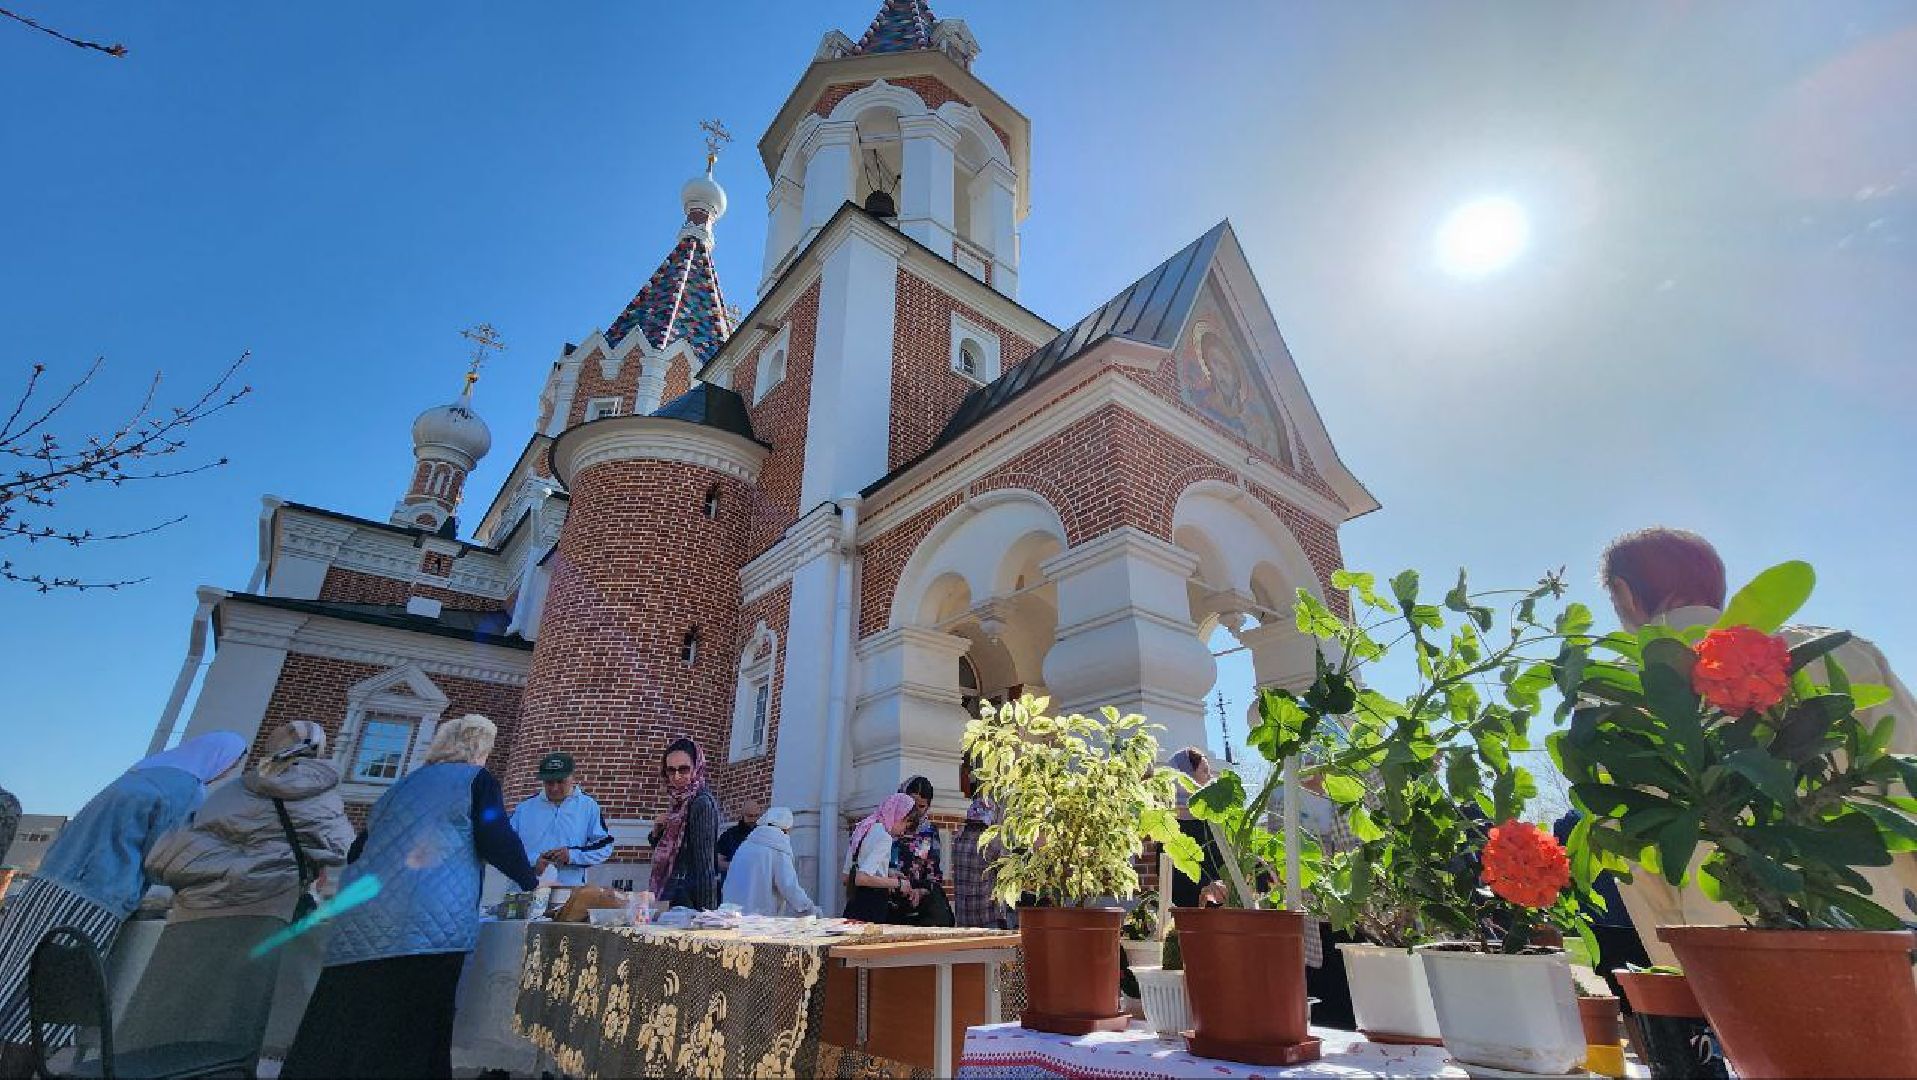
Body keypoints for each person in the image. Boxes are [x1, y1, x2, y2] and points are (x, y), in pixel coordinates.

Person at [1599, 527, 1917, 965]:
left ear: (1624, 594)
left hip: (1732, 965)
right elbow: (1908, 782)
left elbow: (1638, 861)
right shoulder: (1844, 653)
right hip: (1887, 937)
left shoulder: (1612, 698)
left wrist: (1677, 972)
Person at [281, 714, 538, 1079]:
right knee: (414, 1024)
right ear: (479, 747)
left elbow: (358, 850)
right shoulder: (475, 780)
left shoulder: (403, 784)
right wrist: (533, 881)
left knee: (344, 1021)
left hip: (363, 919)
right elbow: (496, 835)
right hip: (426, 921)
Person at [0, 731, 247, 1077]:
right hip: (96, 898)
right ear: (223, 761)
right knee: (45, 1003)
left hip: (47, 885)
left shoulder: (141, 773)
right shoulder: (188, 789)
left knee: (10, 977)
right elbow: (164, 855)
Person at [122, 721, 355, 1062]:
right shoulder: (319, 793)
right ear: (318, 749)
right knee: (236, 1016)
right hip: (266, 908)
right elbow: (342, 847)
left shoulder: (234, 789)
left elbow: (181, 846)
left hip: (199, 908)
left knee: (171, 1010)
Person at [509, 752, 613, 887]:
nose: (554, 788)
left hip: (568, 891)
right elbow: (505, 847)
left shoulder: (588, 806)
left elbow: (605, 847)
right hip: (525, 890)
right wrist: (533, 861)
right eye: (549, 782)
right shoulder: (524, 808)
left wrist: (571, 855)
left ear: (572, 777)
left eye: (560, 781)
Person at [647, 738, 719, 910]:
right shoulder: (679, 802)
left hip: (690, 901)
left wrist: (707, 915)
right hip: (672, 895)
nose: (677, 776)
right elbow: (674, 854)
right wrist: (657, 834)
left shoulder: (701, 803)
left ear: (697, 767)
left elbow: (705, 864)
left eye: (684, 769)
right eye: (671, 771)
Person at [720, 807, 817, 917]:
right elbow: (788, 886)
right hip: (759, 920)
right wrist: (809, 908)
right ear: (786, 828)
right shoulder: (778, 846)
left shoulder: (747, 843)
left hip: (731, 915)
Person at [953, 754, 1011, 929]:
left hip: (964, 916)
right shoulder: (991, 843)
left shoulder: (958, 839)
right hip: (988, 916)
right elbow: (1006, 871)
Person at [844, 793, 921, 923]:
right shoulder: (884, 837)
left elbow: (847, 875)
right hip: (872, 907)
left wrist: (887, 871)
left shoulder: (864, 827)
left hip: (854, 904)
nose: (903, 831)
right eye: (906, 824)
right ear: (900, 816)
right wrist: (898, 883)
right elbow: (862, 878)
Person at [1166, 747, 1227, 908]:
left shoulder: (1211, 819)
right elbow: (1174, 875)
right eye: (1205, 771)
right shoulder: (1169, 825)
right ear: (1187, 777)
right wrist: (1206, 885)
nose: (1210, 777)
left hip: (1221, 907)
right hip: (1190, 913)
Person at [891, 776, 954, 926]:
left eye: (921, 806)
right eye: (911, 803)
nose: (915, 810)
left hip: (918, 902)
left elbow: (934, 874)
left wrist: (920, 892)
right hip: (890, 896)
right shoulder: (888, 825)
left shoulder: (929, 832)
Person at [714, 799, 765, 879]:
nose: (753, 819)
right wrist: (737, 867)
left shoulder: (763, 834)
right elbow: (717, 863)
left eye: (756, 816)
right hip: (733, 884)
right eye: (750, 816)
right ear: (742, 814)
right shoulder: (729, 835)